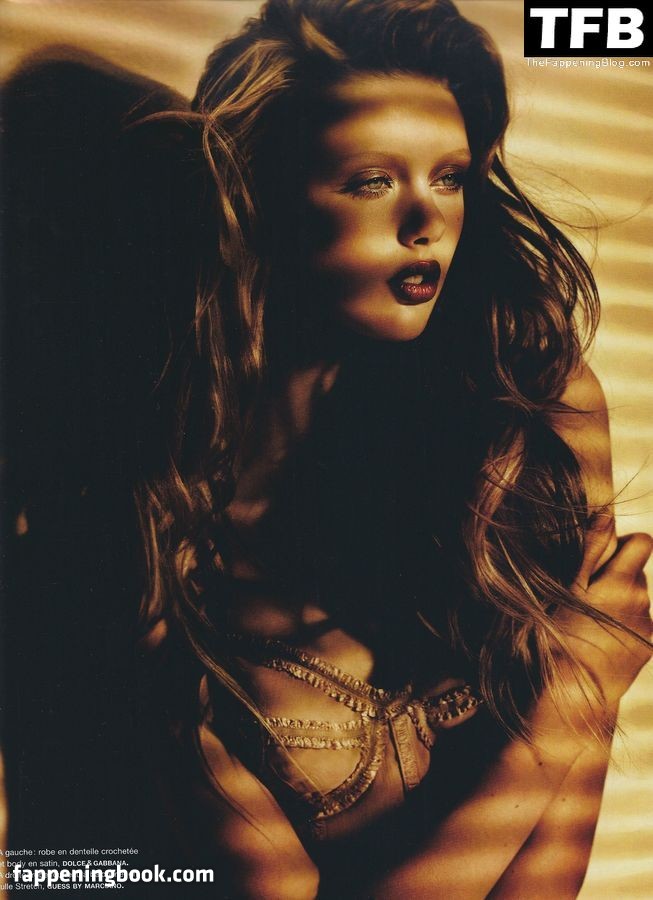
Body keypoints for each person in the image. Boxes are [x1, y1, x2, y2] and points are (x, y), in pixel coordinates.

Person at [3, 0, 650, 897]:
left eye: (451, 177)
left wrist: (578, 704)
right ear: (253, 198)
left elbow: (547, 884)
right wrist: (569, 705)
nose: (426, 221)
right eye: (371, 181)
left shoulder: (525, 418)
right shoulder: (137, 552)